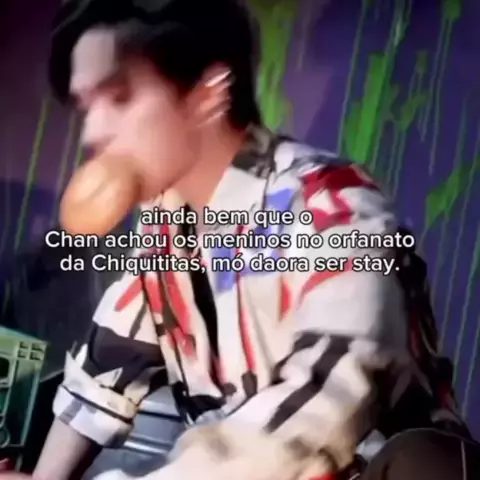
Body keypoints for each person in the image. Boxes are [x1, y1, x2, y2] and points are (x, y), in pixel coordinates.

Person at [13, 0, 479, 479]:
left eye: (120, 97)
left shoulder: (331, 203)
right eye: (86, 106)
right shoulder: (164, 226)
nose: (92, 132)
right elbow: (105, 367)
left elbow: (328, 399)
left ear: (207, 94)